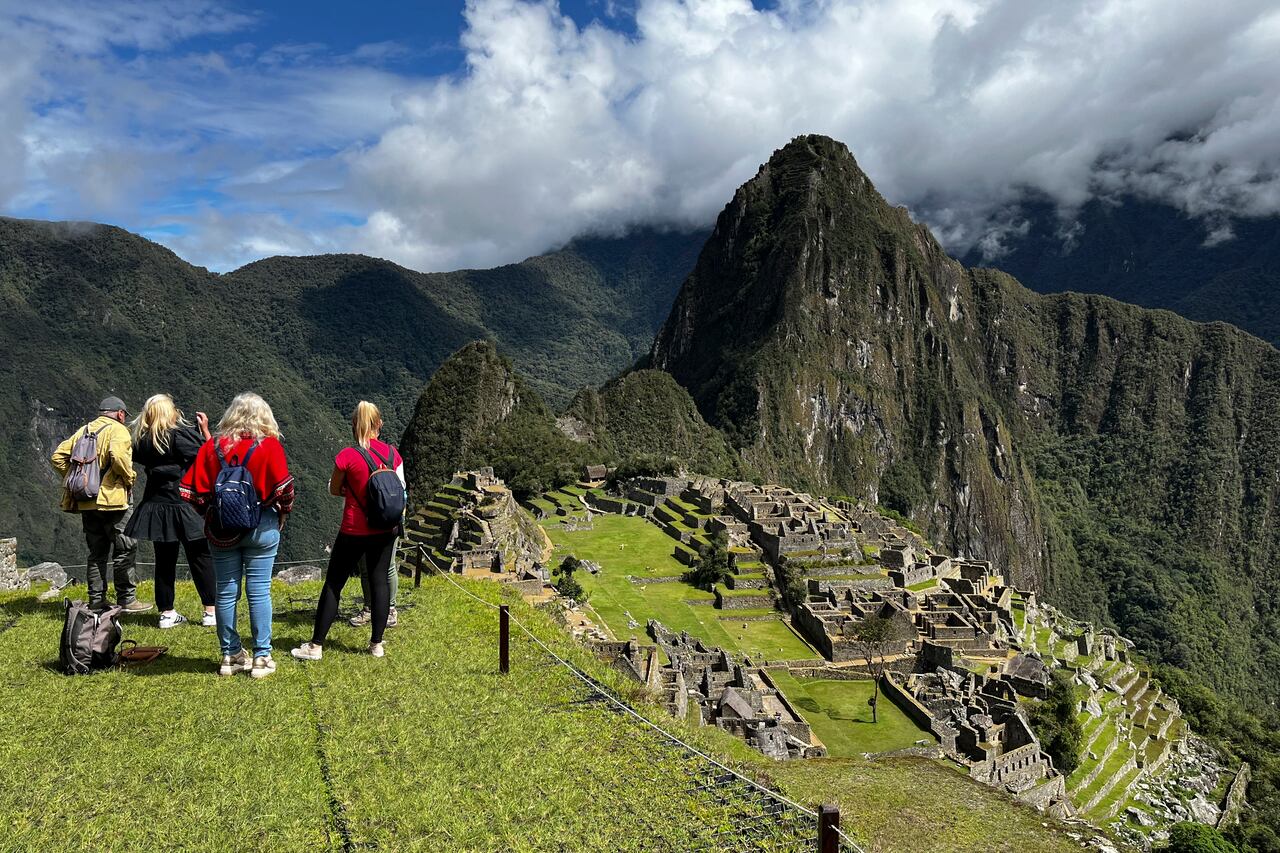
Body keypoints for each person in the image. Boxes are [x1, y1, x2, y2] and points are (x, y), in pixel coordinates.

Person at [181, 393, 295, 679]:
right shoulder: (269, 446)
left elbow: (190, 492)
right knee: (258, 591)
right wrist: (282, 513)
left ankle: (229, 656)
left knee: (226, 591)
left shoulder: (212, 446)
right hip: (262, 526)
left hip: (221, 531)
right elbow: (285, 489)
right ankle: (261, 657)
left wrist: (209, 513)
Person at [292, 401, 404, 662]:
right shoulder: (392, 454)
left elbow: (334, 488)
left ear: (355, 425)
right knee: (379, 583)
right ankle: (376, 644)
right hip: (386, 528)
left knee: (334, 583)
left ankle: (316, 645)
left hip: (354, 528)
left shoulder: (347, 456)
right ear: (379, 425)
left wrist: (349, 489)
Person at [50, 396, 149, 613]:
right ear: (120, 414)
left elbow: (57, 456)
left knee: (97, 552)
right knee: (125, 548)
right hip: (114, 501)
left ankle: (96, 601)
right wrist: (129, 477)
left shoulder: (84, 430)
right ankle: (127, 599)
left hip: (87, 500)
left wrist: (80, 478)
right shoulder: (119, 430)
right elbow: (118, 456)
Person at [125, 394, 216, 629]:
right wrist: (204, 430)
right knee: (200, 556)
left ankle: (166, 612)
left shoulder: (142, 440)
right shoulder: (179, 435)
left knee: (164, 560)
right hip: (184, 503)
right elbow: (208, 457)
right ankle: (210, 610)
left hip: (156, 503)